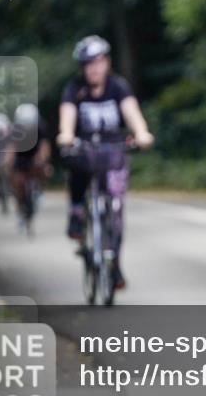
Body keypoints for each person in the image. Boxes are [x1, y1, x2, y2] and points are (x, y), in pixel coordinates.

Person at [57, 35, 153, 290]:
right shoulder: (74, 89)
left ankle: (115, 264)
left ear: (107, 63)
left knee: (116, 208)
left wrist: (141, 132)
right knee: (76, 163)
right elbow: (67, 115)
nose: (94, 68)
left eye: (98, 62)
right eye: (88, 64)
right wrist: (66, 134)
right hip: (85, 150)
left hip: (113, 151)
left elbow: (132, 112)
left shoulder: (117, 86)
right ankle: (77, 212)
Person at [9, 103, 51, 229]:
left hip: (34, 154)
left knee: (42, 168)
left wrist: (43, 160)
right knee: (17, 182)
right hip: (20, 155)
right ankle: (19, 210)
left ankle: (39, 189)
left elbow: (44, 146)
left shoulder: (41, 127)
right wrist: (9, 162)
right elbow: (11, 148)